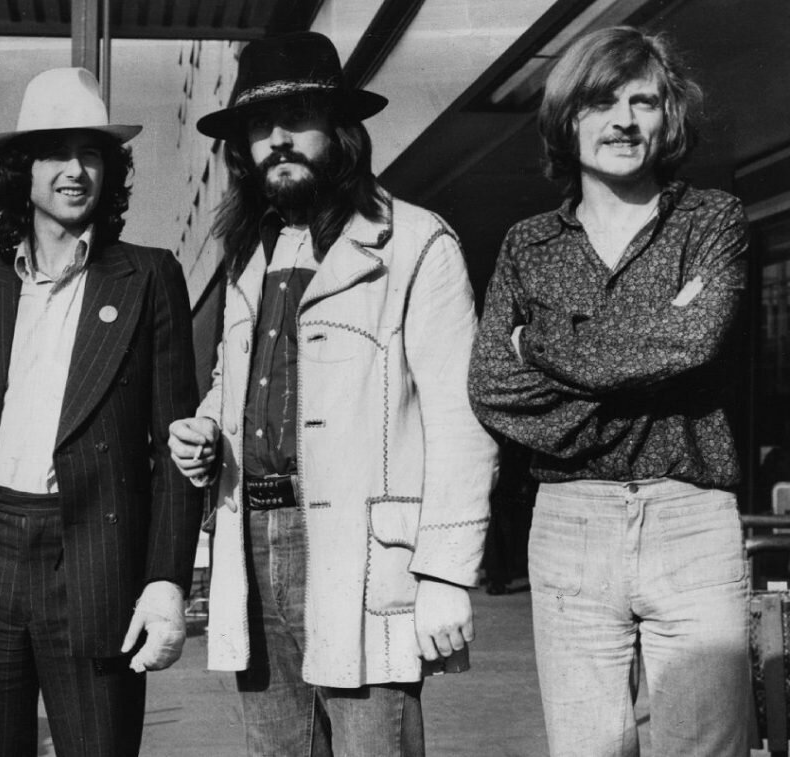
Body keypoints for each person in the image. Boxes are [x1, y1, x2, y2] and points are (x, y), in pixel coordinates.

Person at [169, 32, 497, 756]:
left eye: (298, 118)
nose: (278, 140)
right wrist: (204, 429)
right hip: (252, 542)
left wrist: (446, 572)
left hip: (361, 551)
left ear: (341, 129)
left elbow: (460, 420)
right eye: (260, 125)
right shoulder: (249, 253)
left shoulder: (415, 243)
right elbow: (235, 382)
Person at [468, 26, 751, 757]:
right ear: (567, 119)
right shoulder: (528, 244)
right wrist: (647, 361)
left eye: (642, 101)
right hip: (570, 520)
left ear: (668, 117)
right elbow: (492, 389)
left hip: (691, 517)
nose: (623, 120)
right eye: (601, 101)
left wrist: (539, 344)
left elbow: (693, 342)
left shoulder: (711, 220)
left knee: (706, 748)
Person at [0, 67, 201, 757]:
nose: (76, 171)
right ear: (21, 171)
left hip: (93, 560)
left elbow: (175, 453)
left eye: (92, 154)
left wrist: (166, 580)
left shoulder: (149, 276)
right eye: (56, 153)